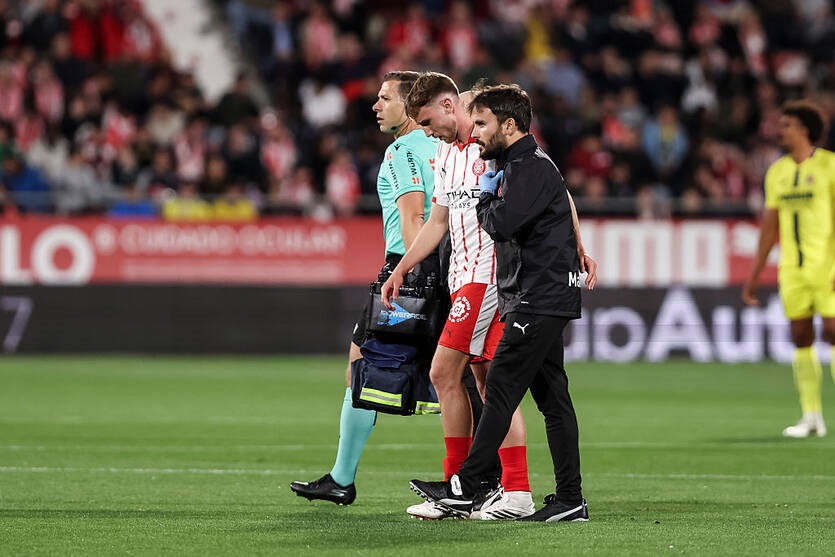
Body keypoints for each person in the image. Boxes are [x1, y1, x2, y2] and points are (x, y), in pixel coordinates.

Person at [408, 84, 595, 522]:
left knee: (501, 390)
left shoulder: (527, 166)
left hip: (535, 297)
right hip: (536, 294)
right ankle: (570, 499)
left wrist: (487, 198)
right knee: (552, 400)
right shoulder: (523, 164)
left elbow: (503, 224)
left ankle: (467, 486)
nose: (476, 132)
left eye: (483, 123)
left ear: (507, 125)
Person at [381, 72, 533, 520]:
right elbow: (438, 222)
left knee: (443, 372)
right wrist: (402, 268)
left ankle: (457, 487)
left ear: (450, 107)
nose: (427, 132)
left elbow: (551, 184)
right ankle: (514, 491)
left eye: (428, 121)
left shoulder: (493, 146)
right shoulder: (446, 153)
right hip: (460, 275)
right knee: (489, 383)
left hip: (487, 279)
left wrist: (577, 244)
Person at [289, 71, 438, 504]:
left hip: (408, 268)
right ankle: (488, 479)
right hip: (446, 265)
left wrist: (415, 275)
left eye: (385, 98)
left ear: (411, 106)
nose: (375, 105)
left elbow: (413, 218)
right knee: (460, 375)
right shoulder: (447, 149)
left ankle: (342, 478)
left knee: (365, 368)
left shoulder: (402, 151)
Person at [742, 100, 835, 438]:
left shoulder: (830, 166)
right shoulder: (778, 171)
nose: (780, 131)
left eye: (786, 126)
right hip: (792, 269)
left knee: (833, 331)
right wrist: (753, 276)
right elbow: (770, 228)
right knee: (801, 336)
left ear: (804, 130)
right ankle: (812, 417)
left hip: (828, 267)